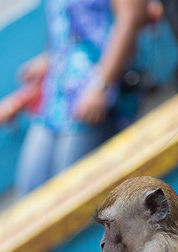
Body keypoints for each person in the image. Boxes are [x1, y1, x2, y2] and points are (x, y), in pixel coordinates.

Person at [14, 0, 152, 194]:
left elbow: (130, 18)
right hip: (57, 97)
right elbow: (72, 27)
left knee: (68, 192)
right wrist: (47, 61)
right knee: (30, 188)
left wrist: (102, 86)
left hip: (96, 95)